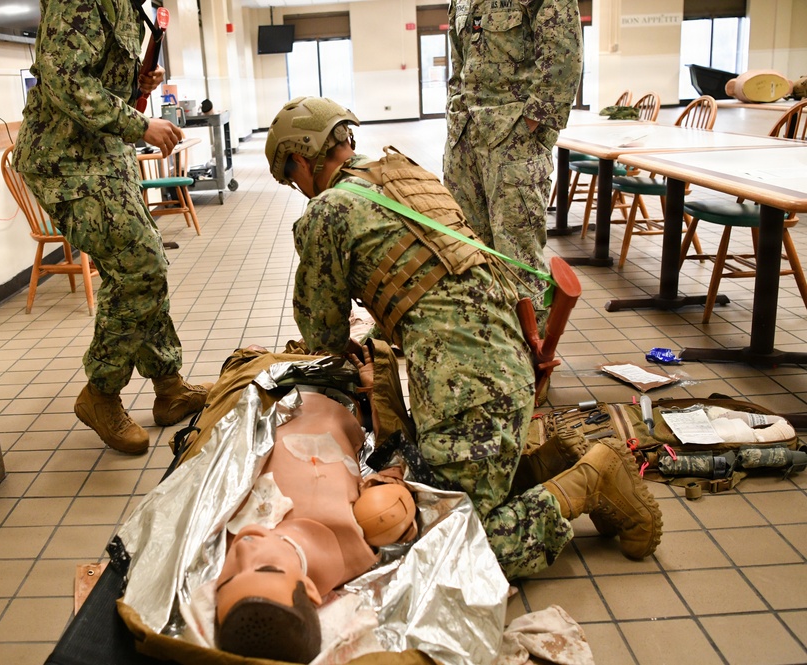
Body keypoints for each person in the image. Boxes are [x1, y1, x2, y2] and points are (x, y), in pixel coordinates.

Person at [263, 96, 661, 580]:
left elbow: (321, 330)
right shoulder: (400, 172)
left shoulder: (326, 212)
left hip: (468, 384)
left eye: (291, 177)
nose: (297, 188)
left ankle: (591, 480)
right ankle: (548, 463)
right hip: (506, 352)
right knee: (436, 484)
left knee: (450, 548)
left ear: (301, 159)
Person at [13, 0, 209, 455]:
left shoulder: (127, 5)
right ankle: (100, 394)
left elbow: (95, 75)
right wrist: (139, 123)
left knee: (145, 265)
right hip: (65, 161)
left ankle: (168, 386)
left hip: (102, 157)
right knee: (140, 268)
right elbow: (64, 78)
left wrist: (136, 84)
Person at [214, 346, 417, 662]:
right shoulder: (356, 534)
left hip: (264, 389)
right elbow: (394, 452)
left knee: (243, 360)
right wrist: (373, 391)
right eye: (265, 568)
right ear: (311, 591)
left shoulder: (226, 539)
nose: (241, 551)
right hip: (339, 396)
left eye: (226, 580)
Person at [443, 0, 583, 328]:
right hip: (464, 141)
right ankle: (489, 348)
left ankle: (533, 359)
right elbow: (458, 63)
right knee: (468, 251)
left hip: (512, 141)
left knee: (518, 259)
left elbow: (564, 58)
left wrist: (529, 126)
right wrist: (454, 110)